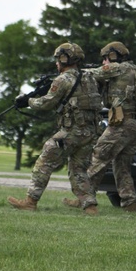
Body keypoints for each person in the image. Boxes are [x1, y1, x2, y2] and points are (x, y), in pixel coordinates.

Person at [7, 42, 102, 216]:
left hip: (70, 133)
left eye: (58, 59)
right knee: (79, 169)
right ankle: (90, 207)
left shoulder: (63, 79)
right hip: (90, 133)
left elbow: (46, 103)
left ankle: (30, 202)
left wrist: (27, 101)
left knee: (44, 163)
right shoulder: (89, 78)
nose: (56, 63)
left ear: (65, 59)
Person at [87, 41, 136, 212]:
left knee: (98, 156)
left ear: (113, 56)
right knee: (122, 167)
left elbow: (92, 74)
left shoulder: (118, 68)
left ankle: (85, 198)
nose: (104, 62)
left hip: (121, 124)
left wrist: (73, 73)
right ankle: (130, 203)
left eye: (106, 58)